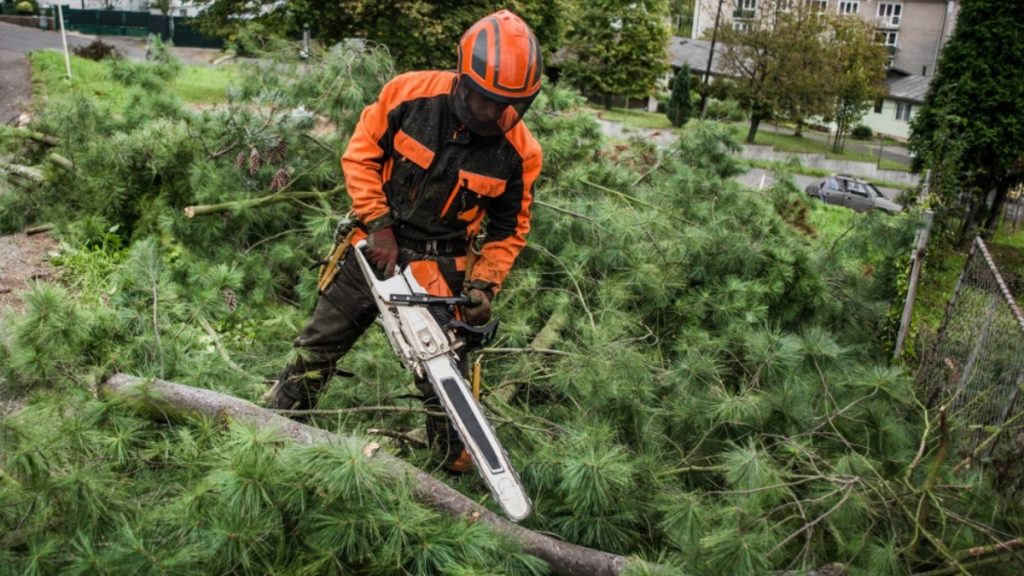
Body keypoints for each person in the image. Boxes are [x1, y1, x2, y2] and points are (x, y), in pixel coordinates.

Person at [265, 10, 543, 473]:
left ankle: (450, 464)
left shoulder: (519, 151)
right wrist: (379, 224)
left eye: (507, 105)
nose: (494, 113)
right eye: (486, 101)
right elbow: (360, 155)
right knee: (320, 344)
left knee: (443, 376)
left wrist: (484, 286)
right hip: (376, 248)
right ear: (464, 79)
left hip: (442, 265)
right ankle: (276, 426)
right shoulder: (409, 95)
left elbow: (509, 229)